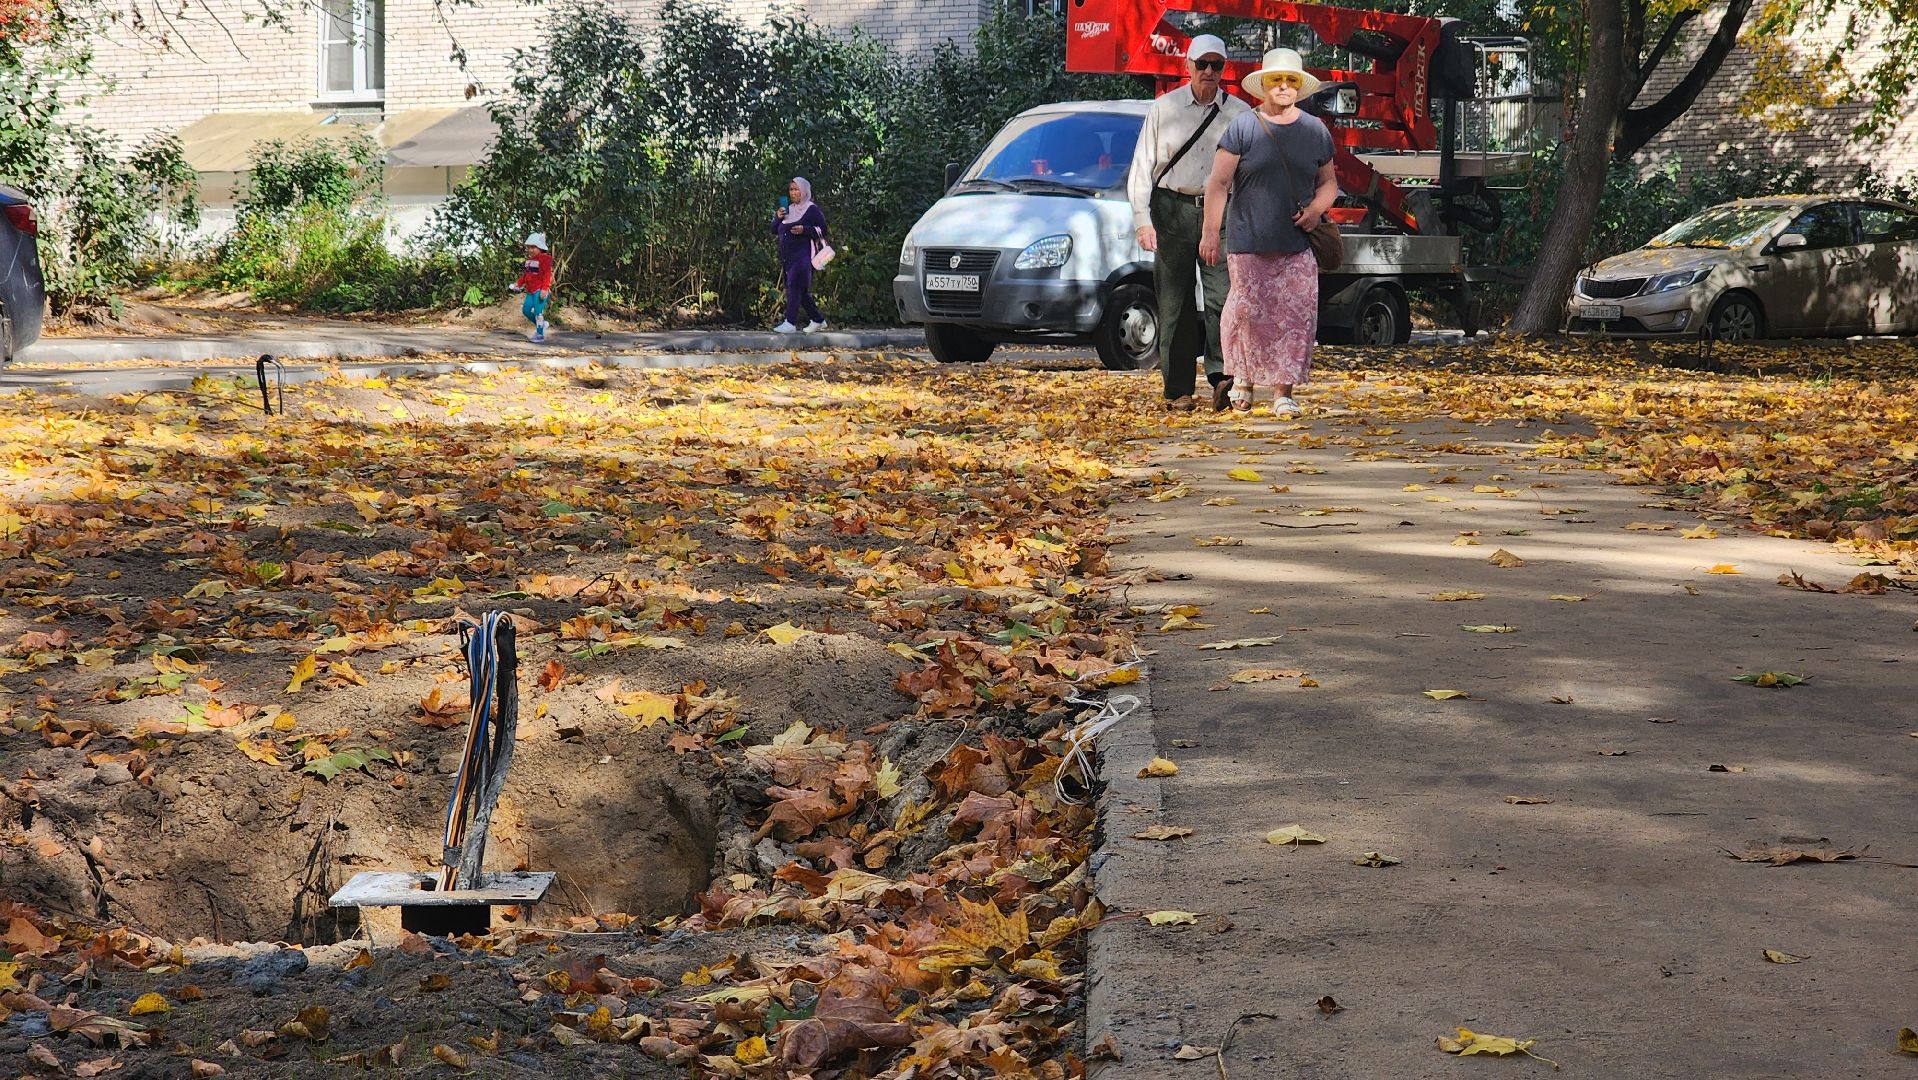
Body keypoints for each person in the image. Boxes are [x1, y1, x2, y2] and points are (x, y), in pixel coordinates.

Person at [1200, 47, 1337, 417]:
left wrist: (1314, 212)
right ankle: (1243, 381)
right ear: (1263, 85)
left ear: (1299, 87)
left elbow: (1329, 184)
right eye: (1275, 79)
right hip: (1248, 243)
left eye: (1290, 80)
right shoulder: (1244, 126)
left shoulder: (1314, 130)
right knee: (1247, 314)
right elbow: (1218, 183)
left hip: (1296, 244)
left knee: (1295, 317)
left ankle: (1283, 392)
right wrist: (1210, 232)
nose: (1282, 86)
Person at [1127, 34, 1249, 412]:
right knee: (1174, 301)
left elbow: (1250, 172)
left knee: (1223, 297)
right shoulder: (1164, 109)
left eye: (1217, 65)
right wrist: (1142, 221)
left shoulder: (1241, 114)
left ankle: (1221, 379)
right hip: (1172, 208)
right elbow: (1142, 168)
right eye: (1203, 64)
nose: (1210, 72)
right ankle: (1178, 389)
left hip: (1221, 212)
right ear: (1188, 67)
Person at [772, 177, 829, 334]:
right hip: (788, 258)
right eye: (791, 189)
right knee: (800, 291)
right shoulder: (788, 209)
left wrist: (805, 230)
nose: (793, 193)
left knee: (794, 287)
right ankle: (818, 319)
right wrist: (778, 217)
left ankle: (790, 322)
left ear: (804, 191)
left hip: (803, 258)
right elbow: (774, 230)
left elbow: (823, 229)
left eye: (796, 189)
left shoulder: (811, 209)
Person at [507, 232, 554, 343]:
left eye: (533, 247)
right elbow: (525, 276)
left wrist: (545, 288)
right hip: (530, 291)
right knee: (526, 310)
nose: (530, 250)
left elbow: (547, 274)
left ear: (540, 247)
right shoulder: (529, 261)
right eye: (529, 247)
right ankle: (542, 326)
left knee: (538, 312)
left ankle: (540, 334)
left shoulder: (545, 259)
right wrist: (518, 284)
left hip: (540, 290)